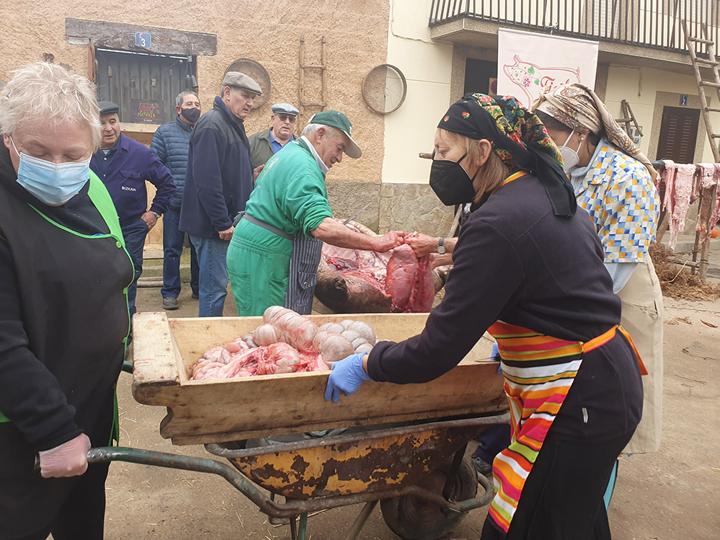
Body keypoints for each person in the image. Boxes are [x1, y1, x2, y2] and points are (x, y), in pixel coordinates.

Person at [325, 93, 644, 539]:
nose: (437, 161)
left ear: (482, 151)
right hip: (607, 382)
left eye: (444, 151)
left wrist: (367, 362)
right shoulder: (542, 193)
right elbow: (539, 287)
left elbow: (438, 350)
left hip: (578, 399)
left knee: (520, 526)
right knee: (574, 519)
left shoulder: (497, 221)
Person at [0, 62, 133, 539]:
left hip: (90, 407)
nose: (57, 167)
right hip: (20, 423)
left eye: (72, 154)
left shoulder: (91, 185)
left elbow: (115, 274)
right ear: (8, 138)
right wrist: (54, 431)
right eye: (38, 151)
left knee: (82, 523)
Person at [533, 83, 662, 456]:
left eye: (552, 134)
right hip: (579, 291)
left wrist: (558, 308)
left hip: (621, 293)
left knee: (617, 400)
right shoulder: (566, 172)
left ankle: (601, 478)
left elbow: (616, 266)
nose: (547, 143)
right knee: (583, 400)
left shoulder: (629, 177)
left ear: (581, 131)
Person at [227, 110, 403, 316]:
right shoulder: (303, 166)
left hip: (259, 252)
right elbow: (320, 226)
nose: (339, 158)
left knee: (272, 326)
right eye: (339, 148)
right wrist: (376, 243)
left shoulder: (292, 152)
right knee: (268, 331)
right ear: (320, 134)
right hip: (262, 259)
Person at [180, 72, 261, 316]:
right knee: (214, 290)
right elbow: (207, 181)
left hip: (221, 225)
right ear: (226, 93)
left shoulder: (231, 125)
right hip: (213, 228)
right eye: (244, 96)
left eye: (252, 98)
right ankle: (209, 343)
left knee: (217, 287)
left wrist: (250, 175)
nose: (249, 103)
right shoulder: (212, 125)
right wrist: (222, 222)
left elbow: (225, 170)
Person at [90, 101, 175, 315]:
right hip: (93, 229)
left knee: (127, 277)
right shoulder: (83, 154)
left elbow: (167, 183)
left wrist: (154, 213)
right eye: (102, 123)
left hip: (130, 228)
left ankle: (125, 329)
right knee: (94, 278)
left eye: (113, 122)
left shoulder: (139, 153)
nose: (109, 128)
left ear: (119, 123)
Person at [151, 90, 201, 310]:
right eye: (190, 103)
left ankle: (199, 288)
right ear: (178, 108)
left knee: (199, 250)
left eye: (197, 103)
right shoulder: (164, 133)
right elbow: (154, 165)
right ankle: (170, 292)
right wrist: (169, 189)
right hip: (174, 204)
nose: (195, 107)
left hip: (200, 205)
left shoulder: (204, 131)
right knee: (172, 250)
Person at [248, 102, 299, 172]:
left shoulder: (299, 146)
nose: (287, 122)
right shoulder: (254, 142)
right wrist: (252, 177)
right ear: (273, 119)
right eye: (283, 117)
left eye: (291, 119)